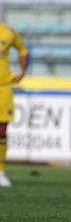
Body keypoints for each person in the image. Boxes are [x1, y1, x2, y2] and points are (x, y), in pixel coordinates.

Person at [0, 22, 29, 187]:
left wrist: (22, 72)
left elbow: (23, 50)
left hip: (3, 87)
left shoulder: (8, 31)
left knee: (2, 129)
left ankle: (1, 171)